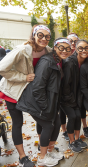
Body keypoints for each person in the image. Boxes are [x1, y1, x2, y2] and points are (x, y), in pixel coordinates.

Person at [0, 25, 52, 167]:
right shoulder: (22, 50)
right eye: (40, 35)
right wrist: (23, 77)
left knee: (40, 119)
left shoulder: (48, 51)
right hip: (14, 91)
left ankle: (43, 148)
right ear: (34, 35)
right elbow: (2, 68)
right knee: (17, 123)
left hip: (31, 92)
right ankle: (23, 157)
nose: (44, 39)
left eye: (47, 36)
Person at [16, 38, 71, 166]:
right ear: (55, 47)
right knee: (48, 125)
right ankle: (42, 157)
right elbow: (38, 87)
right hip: (36, 101)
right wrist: (45, 107)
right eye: (61, 48)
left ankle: (50, 152)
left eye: (67, 49)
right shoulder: (47, 61)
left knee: (56, 123)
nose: (64, 51)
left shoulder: (57, 60)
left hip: (49, 100)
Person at [60, 40, 88, 152]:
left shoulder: (86, 62)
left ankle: (77, 139)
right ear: (76, 49)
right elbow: (66, 85)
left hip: (77, 96)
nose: (84, 50)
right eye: (81, 48)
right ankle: (71, 142)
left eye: (86, 48)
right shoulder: (69, 63)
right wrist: (71, 100)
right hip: (66, 97)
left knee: (78, 116)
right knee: (72, 116)